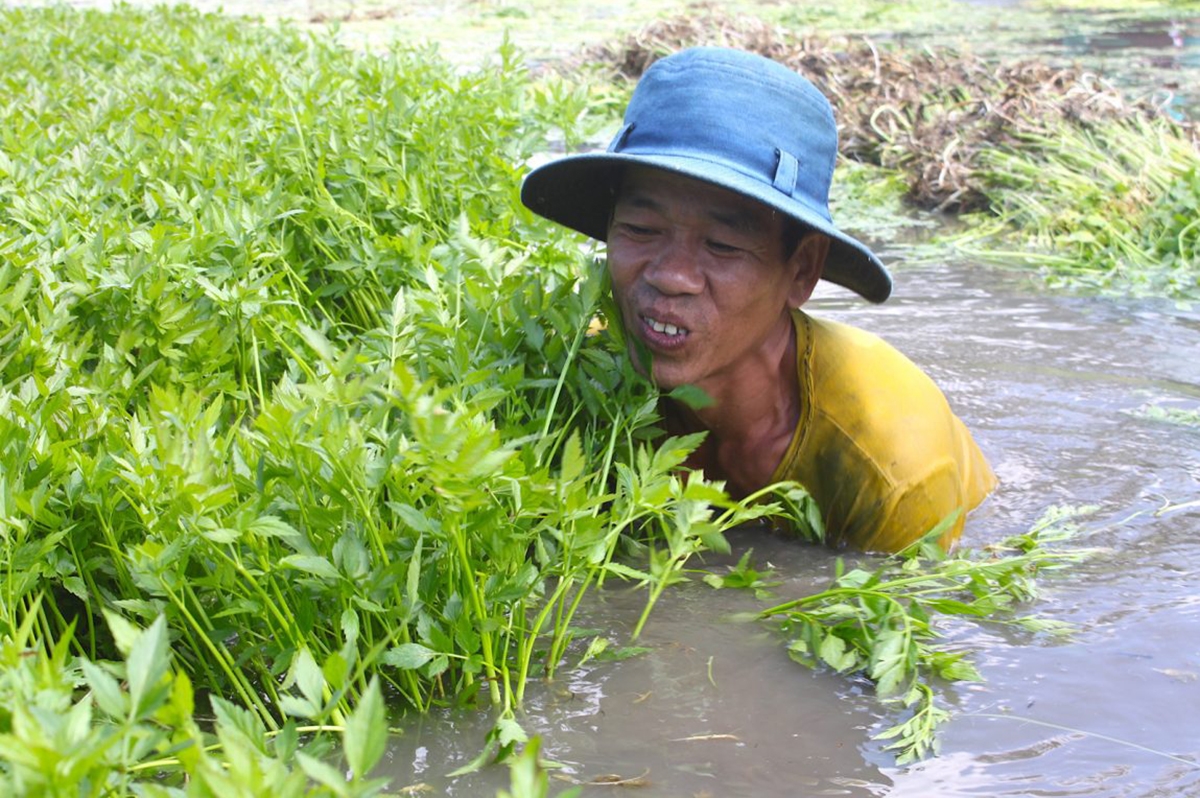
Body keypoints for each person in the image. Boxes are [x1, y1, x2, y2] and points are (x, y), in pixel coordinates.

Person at [520, 47, 996, 553]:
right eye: (641, 228)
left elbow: (909, 599)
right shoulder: (577, 370)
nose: (671, 276)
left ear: (802, 270)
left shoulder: (892, 469)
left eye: (722, 246)